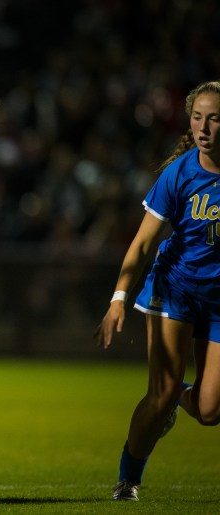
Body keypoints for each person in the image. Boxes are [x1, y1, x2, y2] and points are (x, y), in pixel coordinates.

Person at [94, 80, 220, 502]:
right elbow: (142, 244)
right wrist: (118, 301)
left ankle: (179, 400)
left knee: (209, 411)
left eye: (215, 118)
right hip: (175, 290)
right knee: (160, 395)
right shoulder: (180, 173)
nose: (204, 127)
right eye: (198, 116)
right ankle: (128, 478)